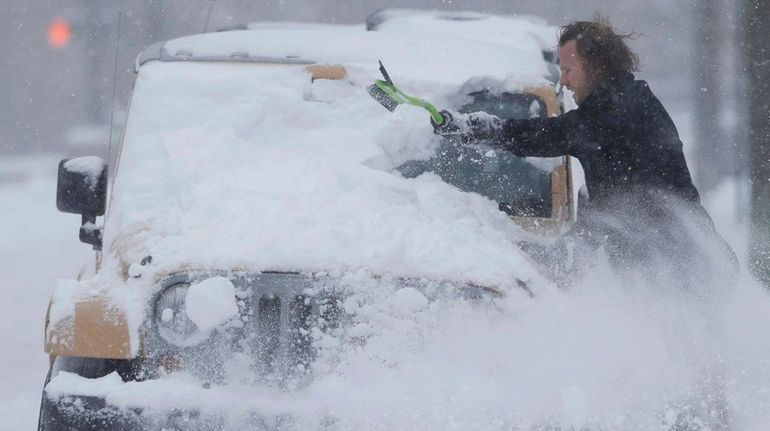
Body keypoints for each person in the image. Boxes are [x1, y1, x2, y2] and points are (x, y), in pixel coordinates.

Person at [432, 16, 735, 286]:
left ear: (595, 66)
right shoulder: (627, 104)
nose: (563, 81)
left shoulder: (615, 113)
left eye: (567, 70)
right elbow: (617, 204)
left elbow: (546, 136)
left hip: (681, 273)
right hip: (689, 262)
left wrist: (475, 128)